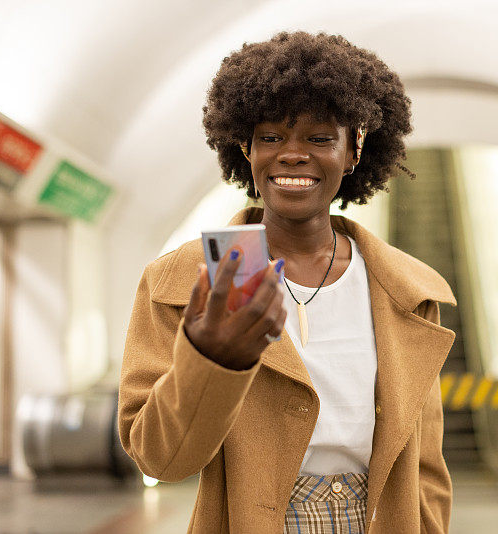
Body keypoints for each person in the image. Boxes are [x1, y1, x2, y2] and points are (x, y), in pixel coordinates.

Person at [118, 30, 457, 533]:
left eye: (320, 138)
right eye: (270, 138)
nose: (292, 155)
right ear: (244, 148)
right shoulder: (182, 282)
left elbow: (425, 466)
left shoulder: (406, 292)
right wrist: (207, 359)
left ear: (354, 150)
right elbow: (160, 461)